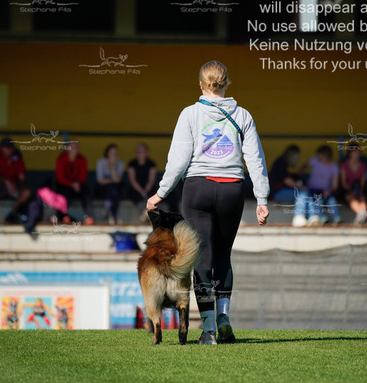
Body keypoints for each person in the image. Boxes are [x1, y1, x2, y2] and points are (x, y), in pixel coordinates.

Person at [146, 61, 269, 345]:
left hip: (198, 189)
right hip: (232, 190)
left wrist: (161, 193)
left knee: (201, 258)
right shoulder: (243, 115)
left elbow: (178, 161)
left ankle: (210, 329)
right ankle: (224, 316)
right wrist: (262, 198)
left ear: (201, 85)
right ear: (227, 84)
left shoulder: (189, 114)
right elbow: (255, 159)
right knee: (223, 256)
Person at [0, 138, 32, 223]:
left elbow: (22, 179)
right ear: (1, 148)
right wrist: (6, 181)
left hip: (13, 188)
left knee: (27, 192)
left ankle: (11, 215)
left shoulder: (18, 159)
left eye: (11, 148)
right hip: (0, 189)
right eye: (7, 148)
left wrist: (16, 186)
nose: (9, 150)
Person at [268, 145, 312, 227]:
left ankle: (313, 217)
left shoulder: (285, 164)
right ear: (292, 155)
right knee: (302, 193)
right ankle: (299, 217)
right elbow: (287, 181)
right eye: (297, 157)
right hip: (278, 193)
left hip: (282, 191)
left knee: (308, 194)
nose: (298, 160)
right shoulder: (280, 163)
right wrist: (302, 187)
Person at [55, 141, 93, 225]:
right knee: (64, 192)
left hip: (78, 186)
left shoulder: (82, 159)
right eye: (72, 147)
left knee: (86, 192)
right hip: (65, 185)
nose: (75, 149)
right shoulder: (61, 159)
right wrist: (71, 184)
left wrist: (77, 184)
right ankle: (63, 216)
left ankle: (88, 216)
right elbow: (60, 177)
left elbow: (83, 176)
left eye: (76, 147)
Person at [303, 145, 340, 226]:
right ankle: (322, 218)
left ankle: (337, 219)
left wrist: (329, 191)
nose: (319, 157)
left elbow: (335, 185)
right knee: (317, 200)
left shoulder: (333, 166)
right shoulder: (315, 160)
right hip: (312, 189)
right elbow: (304, 167)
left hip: (326, 191)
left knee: (332, 200)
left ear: (327, 156)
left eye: (321, 156)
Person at [340, 142, 367, 225]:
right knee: (350, 197)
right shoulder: (344, 165)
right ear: (349, 153)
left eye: (358, 152)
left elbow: (362, 183)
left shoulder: (363, 166)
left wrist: (359, 191)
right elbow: (343, 183)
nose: (356, 155)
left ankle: (362, 214)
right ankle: (363, 213)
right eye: (354, 153)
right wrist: (351, 190)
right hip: (347, 190)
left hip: (358, 189)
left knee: (363, 197)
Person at [127, 143, 157, 222]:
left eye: (142, 151)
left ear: (147, 153)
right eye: (138, 151)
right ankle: (145, 214)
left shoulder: (151, 164)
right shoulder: (132, 164)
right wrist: (141, 191)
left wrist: (146, 191)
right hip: (136, 190)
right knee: (139, 198)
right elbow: (133, 181)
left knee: (151, 197)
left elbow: (151, 181)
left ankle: (147, 214)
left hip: (149, 189)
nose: (140, 153)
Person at [96, 144, 124, 224]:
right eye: (112, 152)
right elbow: (100, 180)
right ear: (107, 153)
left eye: (115, 153)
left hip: (115, 189)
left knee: (113, 189)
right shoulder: (101, 162)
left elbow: (118, 180)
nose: (114, 155)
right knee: (112, 189)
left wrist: (112, 167)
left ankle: (107, 210)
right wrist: (112, 180)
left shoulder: (120, 163)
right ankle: (115, 216)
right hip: (102, 189)